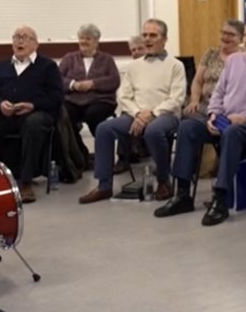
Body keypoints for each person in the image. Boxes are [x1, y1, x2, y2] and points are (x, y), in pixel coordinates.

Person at [154, 20, 246, 225]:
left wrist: (245, 118)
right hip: (225, 120)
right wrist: (214, 114)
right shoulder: (234, 60)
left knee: (232, 132)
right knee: (188, 127)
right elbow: (218, 93)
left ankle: (221, 199)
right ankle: (182, 194)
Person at [79, 19, 185, 203]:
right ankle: (104, 186)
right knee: (104, 129)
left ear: (165, 39)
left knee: (154, 131)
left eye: (153, 35)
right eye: (145, 35)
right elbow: (124, 97)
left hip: (165, 115)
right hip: (136, 115)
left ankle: (163, 182)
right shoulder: (133, 67)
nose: (147, 39)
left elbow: (176, 99)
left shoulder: (175, 65)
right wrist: (138, 114)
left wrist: (151, 113)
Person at [0, 26, 64, 204]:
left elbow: (57, 97)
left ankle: (25, 182)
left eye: (25, 37)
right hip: (5, 116)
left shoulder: (48, 66)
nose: (20, 41)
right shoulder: (1, 65)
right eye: (16, 37)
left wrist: (33, 105)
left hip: (36, 114)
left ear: (35, 44)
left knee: (33, 124)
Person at [59, 23, 120, 166]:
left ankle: (104, 155)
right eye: (81, 38)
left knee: (94, 115)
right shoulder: (69, 58)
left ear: (96, 42)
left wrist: (93, 84)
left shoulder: (107, 59)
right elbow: (57, 79)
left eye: (88, 38)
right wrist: (73, 84)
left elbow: (114, 80)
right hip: (73, 100)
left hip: (100, 100)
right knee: (64, 115)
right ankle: (81, 155)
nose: (83, 42)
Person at [186, 19, 245, 118]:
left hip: (231, 108)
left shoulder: (245, 57)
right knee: (189, 119)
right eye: (223, 33)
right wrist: (194, 101)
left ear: (241, 39)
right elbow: (198, 81)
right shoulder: (211, 53)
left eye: (231, 34)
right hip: (205, 105)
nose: (225, 37)